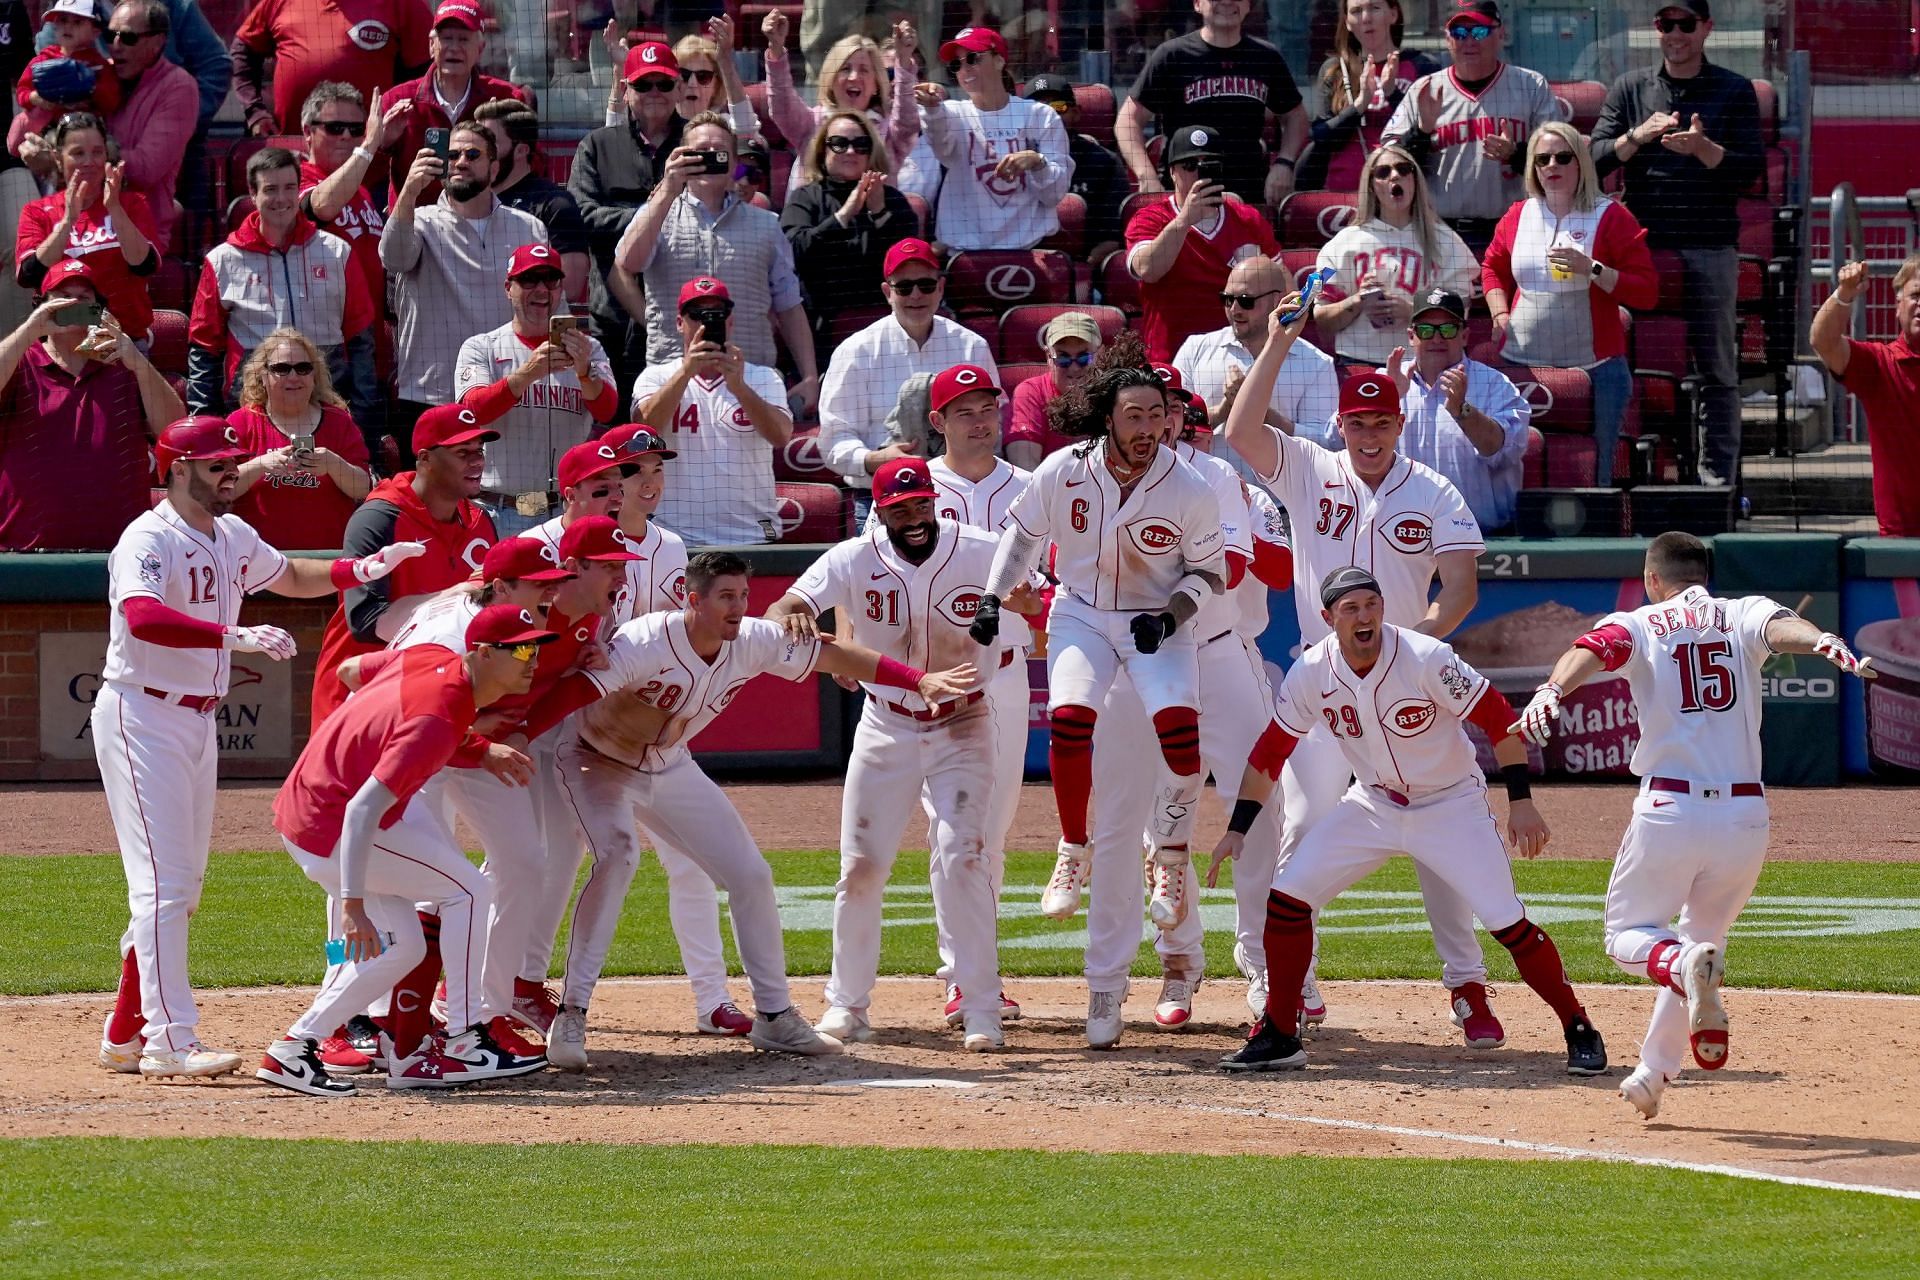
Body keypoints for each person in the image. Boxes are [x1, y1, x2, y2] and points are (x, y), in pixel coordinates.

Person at [506, 550, 977, 1062]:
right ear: (693, 600)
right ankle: (573, 1014)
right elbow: (573, 692)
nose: (738, 607)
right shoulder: (646, 640)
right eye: (726, 597)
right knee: (618, 857)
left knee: (751, 875)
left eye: (744, 596)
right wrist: (512, 736)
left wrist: (917, 680)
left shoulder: (752, 639)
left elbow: (835, 656)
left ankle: (775, 1016)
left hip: (668, 765)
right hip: (595, 762)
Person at [90, 414, 427, 1082]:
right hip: (140, 712)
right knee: (161, 888)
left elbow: (290, 575)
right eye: (218, 465)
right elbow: (142, 616)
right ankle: (168, 1040)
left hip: (191, 720)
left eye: (232, 463)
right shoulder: (148, 536)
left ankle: (127, 1027)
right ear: (177, 468)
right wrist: (232, 636)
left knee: (181, 891)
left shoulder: (231, 532)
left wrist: (359, 567)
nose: (231, 474)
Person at [1220, 303, 1505, 1047]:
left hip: (1411, 686)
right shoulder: (1312, 470)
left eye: (1382, 424)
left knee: (1443, 839)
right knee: (1305, 827)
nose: (1370, 435)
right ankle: (1289, 980)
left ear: (1400, 427)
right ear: (1339, 425)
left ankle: (1467, 986)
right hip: (1324, 691)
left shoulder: (1434, 491)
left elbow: (1462, 589)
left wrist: (1419, 647)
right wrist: (1281, 340)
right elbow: (1240, 433)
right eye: (1358, 423)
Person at [1511, 532, 1872, 1118]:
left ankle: (1677, 979)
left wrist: (1553, 688)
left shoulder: (1643, 621)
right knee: (1704, 946)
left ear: (1653, 578)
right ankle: (1654, 1072)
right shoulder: (1741, 611)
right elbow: (1785, 629)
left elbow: (1591, 648)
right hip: (1744, 817)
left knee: (1630, 937)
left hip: (1670, 810)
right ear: (1706, 574)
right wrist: (1825, 642)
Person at [1212, 566, 1608, 1076]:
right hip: (1373, 804)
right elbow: (1270, 753)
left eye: (1371, 605)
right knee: (1288, 900)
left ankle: (1578, 1027)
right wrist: (1237, 829)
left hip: (1450, 803)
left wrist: (1521, 801)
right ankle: (1281, 1032)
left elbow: (1497, 720)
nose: (1364, 617)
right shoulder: (1312, 670)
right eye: (1351, 608)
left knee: (1506, 921)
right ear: (1327, 617)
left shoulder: (1427, 658)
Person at [972, 362, 1227, 992]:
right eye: (1134, 415)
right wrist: (991, 596)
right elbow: (1023, 537)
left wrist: (1169, 618)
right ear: (1107, 418)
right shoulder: (1063, 471)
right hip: (1080, 611)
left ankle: (1170, 851)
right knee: (1070, 716)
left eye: (1157, 415)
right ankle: (1071, 848)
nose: (1148, 428)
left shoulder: (1189, 485)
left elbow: (1209, 574)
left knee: (1180, 729)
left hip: (1154, 620)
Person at [255, 602, 553, 1097]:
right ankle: (463, 1039)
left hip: (312, 811)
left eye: (536, 648)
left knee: (405, 945)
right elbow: (361, 810)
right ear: (480, 653)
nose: (531, 660)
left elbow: (354, 671)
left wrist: (477, 749)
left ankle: (293, 1048)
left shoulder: (430, 659)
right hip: (332, 824)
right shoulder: (440, 713)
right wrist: (351, 905)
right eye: (520, 650)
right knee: (470, 891)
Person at [768, 451, 1011, 1051]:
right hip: (887, 724)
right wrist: (796, 615)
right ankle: (846, 1005)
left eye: (922, 504)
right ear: (879, 511)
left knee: (963, 858)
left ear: (936, 501)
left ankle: (982, 1007)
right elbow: (789, 602)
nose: (915, 517)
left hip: (964, 722)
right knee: (860, 867)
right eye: (900, 508)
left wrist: (1028, 599)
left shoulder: (982, 549)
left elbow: (1034, 585)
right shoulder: (855, 556)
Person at [885, 363, 1034, 1029]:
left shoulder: (1031, 488)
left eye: (989, 406)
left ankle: (978, 971)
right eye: (965, 409)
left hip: (1002, 671)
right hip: (933, 682)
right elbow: (873, 574)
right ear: (937, 420)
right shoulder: (912, 488)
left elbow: (1057, 581)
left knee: (991, 833)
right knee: (957, 832)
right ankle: (966, 978)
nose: (982, 419)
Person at [1589, 0, 1763, 487]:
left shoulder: (1733, 89)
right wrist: (1637, 137)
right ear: (1656, 29)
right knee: (1629, 362)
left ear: (1706, 28)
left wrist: (1703, 148)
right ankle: (1630, 477)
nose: (1676, 33)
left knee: (1717, 369)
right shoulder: (1630, 88)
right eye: (1668, 24)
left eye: (1687, 24)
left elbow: (1749, 172)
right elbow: (1593, 159)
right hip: (1643, 247)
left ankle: (1718, 485)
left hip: (1710, 245)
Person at [1483, 123, 1657, 488]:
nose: (1552, 166)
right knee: (1519, 465)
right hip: (1522, 366)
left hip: (1595, 371)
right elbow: (1492, 268)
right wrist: (1499, 313)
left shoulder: (1611, 216)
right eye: (1542, 159)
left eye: (1563, 157)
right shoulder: (1517, 215)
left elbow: (1646, 291)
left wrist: (1591, 269)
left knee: (1594, 471)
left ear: (1581, 163)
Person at [308, 403, 499, 727]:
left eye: (478, 451)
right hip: (358, 692)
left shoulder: (480, 522)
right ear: (425, 459)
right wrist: (455, 597)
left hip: (433, 694)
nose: (476, 461)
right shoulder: (379, 517)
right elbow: (366, 620)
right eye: (462, 452)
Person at [614, 110, 818, 410]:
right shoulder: (657, 214)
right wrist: (668, 190)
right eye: (700, 152)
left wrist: (810, 375)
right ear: (681, 157)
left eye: (719, 152)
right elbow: (628, 263)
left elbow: (788, 303)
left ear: (734, 164)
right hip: (675, 378)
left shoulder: (767, 224)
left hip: (751, 377)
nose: (710, 158)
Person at [381, 121, 550, 454]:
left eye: (473, 154)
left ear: (494, 165)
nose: (460, 162)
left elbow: (547, 306)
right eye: (453, 154)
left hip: (504, 395)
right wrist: (410, 190)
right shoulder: (419, 220)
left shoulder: (529, 227)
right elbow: (393, 257)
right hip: (431, 395)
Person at [186, 146, 377, 422]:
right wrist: (205, 423)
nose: (281, 199)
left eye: (289, 188)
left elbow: (361, 344)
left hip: (328, 409)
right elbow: (204, 352)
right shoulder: (223, 260)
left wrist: (364, 421)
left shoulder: (337, 253)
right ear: (252, 194)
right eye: (270, 189)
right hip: (253, 412)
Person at [0, 261, 180, 551]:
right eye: (61, 296)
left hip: (120, 553)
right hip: (26, 552)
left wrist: (136, 361)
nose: (73, 304)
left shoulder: (127, 367)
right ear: (41, 305)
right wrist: (29, 330)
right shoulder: (18, 362)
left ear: (100, 309)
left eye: (84, 298)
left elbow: (173, 433)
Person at [453, 243, 618, 538]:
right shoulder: (482, 347)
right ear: (508, 288)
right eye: (529, 280)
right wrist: (527, 374)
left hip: (562, 511)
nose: (541, 289)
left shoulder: (587, 349)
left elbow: (607, 409)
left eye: (551, 280)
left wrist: (584, 373)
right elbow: (471, 411)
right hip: (497, 510)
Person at [817, 237, 997, 507]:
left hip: (962, 493)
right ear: (887, 292)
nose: (916, 295)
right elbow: (834, 440)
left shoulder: (971, 346)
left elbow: (996, 421)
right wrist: (874, 460)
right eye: (903, 287)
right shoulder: (855, 351)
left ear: (941, 288)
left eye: (925, 285)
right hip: (884, 496)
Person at [1381, 2, 1564, 254]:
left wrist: (1516, 154)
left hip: (1517, 230)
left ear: (1501, 33)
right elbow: (1386, 164)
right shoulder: (1424, 90)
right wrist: (1422, 132)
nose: (1468, 41)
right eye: (1459, 33)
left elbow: (1564, 160)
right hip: (1442, 233)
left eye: (1479, 31)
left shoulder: (1531, 85)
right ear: (1447, 39)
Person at [632, 276, 792, 545]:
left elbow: (781, 436)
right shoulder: (655, 377)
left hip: (750, 534)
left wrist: (740, 388)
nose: (706, 323)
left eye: (717, 315)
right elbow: (642, 433)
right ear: (679, 323)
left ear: (730, 321)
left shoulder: (763, 378)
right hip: (676, 538)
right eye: (697, 314)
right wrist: (686, 373)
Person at [570, 39, 685, 399]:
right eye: (643, 84)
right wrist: (648, 216)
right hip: (614, 319)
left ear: (679, 87)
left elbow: (740, 177)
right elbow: (581, 214)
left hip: (683, 317)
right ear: (625, 89)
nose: (654, 92)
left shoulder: (699, 141)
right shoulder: (597, 145)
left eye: (664, 83)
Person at [1117, 0, 1307, 205]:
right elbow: (1127, 122)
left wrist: (1284, 163)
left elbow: (1296, 116)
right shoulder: (1171, 56)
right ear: (1197, 4)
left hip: (1248, 196)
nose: (1227, 2)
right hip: (1184, 194)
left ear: (1248, 6)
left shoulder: (1266, 57)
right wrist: (1146, 175)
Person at [1314, 142, 1479, 369]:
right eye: (1383, 172)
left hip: (1425, 366)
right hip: (1358, 363)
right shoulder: (1342, 244)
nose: (1395, 176)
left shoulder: (1447, 241)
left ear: (1415, 179)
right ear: (1371, 185)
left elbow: (1460, 317)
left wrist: (1413, 311)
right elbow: (1321, 319)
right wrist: (1357, 300)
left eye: (1403, 169)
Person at [1124, 123, 1279, 364]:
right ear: (1172, 171)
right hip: (1169, 362)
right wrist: (1185, 220)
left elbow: (1284, 288)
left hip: (1239, 357)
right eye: (1189, 165)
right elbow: (1148, 270)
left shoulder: (1247, 219)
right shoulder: (1149, 218)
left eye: (1209, 165)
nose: (1199, 173)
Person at [1387, 287, 1532, 532]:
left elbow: (1503, 451)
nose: (1436, 339)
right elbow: (1338, 441)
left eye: (1447, 329)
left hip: (1484, 537)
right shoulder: (1388, 381)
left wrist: (1462, 411)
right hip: (1402, 537)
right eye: (1426, 330)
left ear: (1464, 336)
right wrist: (1387, 402)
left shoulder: (1495, 385)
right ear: (1411, 336)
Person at [915, 26, 1071, 253]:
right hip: (964, 251)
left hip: (1029, 248)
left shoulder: (1040, 115)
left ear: (999, 61)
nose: (964, 68)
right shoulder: (950, 113)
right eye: (956, 64)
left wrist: (1038, 162)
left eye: (972, 58)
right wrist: (931, 109)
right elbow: (942, 148)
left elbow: (1054, 194)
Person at [1172, 254, 1340, 466]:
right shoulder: (1194, 349)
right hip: (1208, 492)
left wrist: (1257, 410)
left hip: (1280, 497)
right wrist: (1223, 410)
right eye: (1227, 299)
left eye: (1245, 301)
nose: (1234, 309)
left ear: (1276, 299)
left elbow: (1325, 445)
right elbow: (1170, 427)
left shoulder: (1315, 363)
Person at [14, 111, 158, 344]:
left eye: (97, 152)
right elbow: (30, 275)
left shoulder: (131, 204)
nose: (89, 162)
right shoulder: (37, 211)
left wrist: (113, 207)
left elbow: (144, 266)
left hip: (123, 339)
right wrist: (68, 221)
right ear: (59, 158)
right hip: (61, 341)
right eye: (78, 153)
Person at [227, 327, 373, 550]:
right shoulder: (240, 423)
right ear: (263, 376)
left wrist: (334, 465)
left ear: (314, 376)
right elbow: (219, 489)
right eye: (282, 369)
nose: (294, 377)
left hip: (328, 559)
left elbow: (363, 489)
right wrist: (260, 465)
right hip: (258, 561)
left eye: (303, 368)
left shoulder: (339, 421)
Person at [374, 0, 530, 207]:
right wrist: (383, 143)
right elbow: (368, 173)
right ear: (431, 46)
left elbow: (528, 167)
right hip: (414, 225)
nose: (454, 48)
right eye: (446, 39)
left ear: (480, 48)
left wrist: (495, 141)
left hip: (484, 222)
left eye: (464, 40)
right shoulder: (396, 100)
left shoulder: (506, 99)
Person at [779, 109, 917, 342]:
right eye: (839, 143)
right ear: (823, 149)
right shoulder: (805, 198)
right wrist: (843, 215)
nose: (851, 151)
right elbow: (793, 251)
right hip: (822, 326)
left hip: (885, 326)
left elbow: (908, 260)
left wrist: (880, 214)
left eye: (861, 144)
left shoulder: (892, 199)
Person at [1810, 259, 1920, 536]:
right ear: (1898, 306)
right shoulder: (1879, 364)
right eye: (1916, 295)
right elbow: (1823, 341)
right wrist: (1844, 294)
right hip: (1902, 541)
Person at [761, 13, 920, 200]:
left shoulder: (891, 132)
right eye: (845, 69)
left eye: (864, 70)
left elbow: (908, 121)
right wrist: (776, 49)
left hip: (873, 224)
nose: (854, 77)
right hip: (816, 223)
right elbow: (782, 103)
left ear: (876, 84)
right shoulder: (811, 123)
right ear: (831, 79)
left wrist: (903, 60)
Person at [232, 0, 429, 138]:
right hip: (293, 164)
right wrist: (255, 112)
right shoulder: (279, 2)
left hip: (372, 167)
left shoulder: (403, 3)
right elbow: (243, 51)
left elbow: (429, 73)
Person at [1303, 0, 1439, 195]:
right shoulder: (1335, 69)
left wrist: (1393, 94)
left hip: (1403, 195)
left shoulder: (1422, 65)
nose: (1366, 18)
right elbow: (1322, 138)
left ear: (1393, 15)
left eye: (1374, 8)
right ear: (1348, 22)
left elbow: (1427, 135)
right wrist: (1359, 105)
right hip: (1345, 197)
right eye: (1356, 11)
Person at [97, 0, 197, 255]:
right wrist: (41, 102)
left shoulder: (179, 86)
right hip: (86, 225)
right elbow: (15, 141)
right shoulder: (98, 75)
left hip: (140, 234)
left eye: (128, 38)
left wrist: (77, 155)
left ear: (157, 42)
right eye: (110, 35)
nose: (115, 46)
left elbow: (144, 169)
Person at [474, 100, 592, 304]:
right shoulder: (468, 201)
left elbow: (571, 286)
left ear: (521, 151)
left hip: (529, 327)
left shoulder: (554, 205)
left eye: (491, 145)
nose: (478, 154)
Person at [1022, 74, 1129, 252]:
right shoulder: (1010, 159)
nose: (1048, 116)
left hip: (1085, 260)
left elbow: (1112, 236)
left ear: (1076, 113)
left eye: (1058, 107)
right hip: (1026, 258)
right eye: (1037, 109)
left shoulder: (1105, 163)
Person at [1005, 310, 1102, 469]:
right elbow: (1024, 465)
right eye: (1063, 358)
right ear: (1048, 357)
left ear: (1100, 354)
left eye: (1084, 357)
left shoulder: (1115, 391)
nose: (1074, 367)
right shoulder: (1030, 392)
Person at [15, 0, 122, 141]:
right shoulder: (42, 60)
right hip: (53, 129)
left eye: (77, 22)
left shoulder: (99, 64)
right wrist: (35, 98)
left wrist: (92, 90)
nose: (68, 26)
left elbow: (113, 101)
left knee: (111, 148)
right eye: (62, 20)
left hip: (91, 131)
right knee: (40, 145)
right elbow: (22, 91)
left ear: (95, 31)